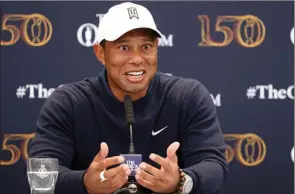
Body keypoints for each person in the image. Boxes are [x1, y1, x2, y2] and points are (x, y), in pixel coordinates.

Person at [28, 2, 229, 194]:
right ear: (100, 53)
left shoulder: (188, 96)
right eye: (124, 48)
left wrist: (181, 181)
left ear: (157, 47)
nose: (137, 59)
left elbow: (214, 166)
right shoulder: (67, 102)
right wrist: (84, 183)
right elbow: (39, 179)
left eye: (146, 47)